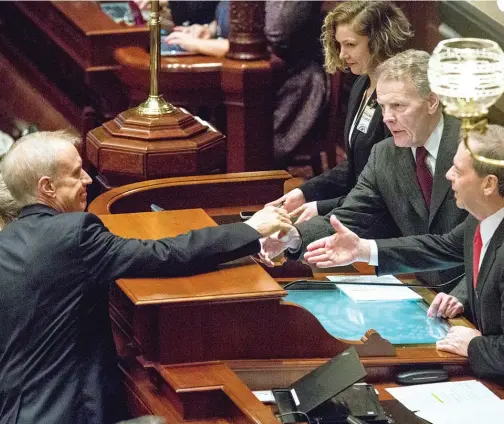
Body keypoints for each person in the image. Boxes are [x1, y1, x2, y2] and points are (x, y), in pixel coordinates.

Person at [0, 130, 292, 424]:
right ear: (47, 188)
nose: (86, 179)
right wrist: (252, 230)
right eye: (75, 173)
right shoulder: (74, 234)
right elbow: (165, 255)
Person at [304, 125, 504, 382]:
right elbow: (440, 247)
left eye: (457, 170)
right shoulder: (482, 219)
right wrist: (362, 250)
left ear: (489, 184)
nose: (447, 174)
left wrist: (473, 346)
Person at [260, 49, 468, 292]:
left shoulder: (475, 150)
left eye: (398, 106)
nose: (387, 118)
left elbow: (493, 241)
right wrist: (293, 236)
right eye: (383, 106)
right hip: (427, 292)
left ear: (432, 101)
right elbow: (350, 216)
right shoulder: (384, 155)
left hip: (484, 301)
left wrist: (461, 297)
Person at [267, 1, 413, 223]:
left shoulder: (399, 100)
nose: (343, 54)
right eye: (339, 45)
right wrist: (304, 193)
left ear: (377, 41)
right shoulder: (361, 84)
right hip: (355, 206)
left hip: (384, 220)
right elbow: (354, 167)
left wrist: (322, 207)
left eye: (350, 45)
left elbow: (387, 191)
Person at [165, 1, 329, 163]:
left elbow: (265, 42)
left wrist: (199, 45)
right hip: (243, 81)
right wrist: (209, 29)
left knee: (233, 155)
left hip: (284, 87)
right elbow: (232, 17)